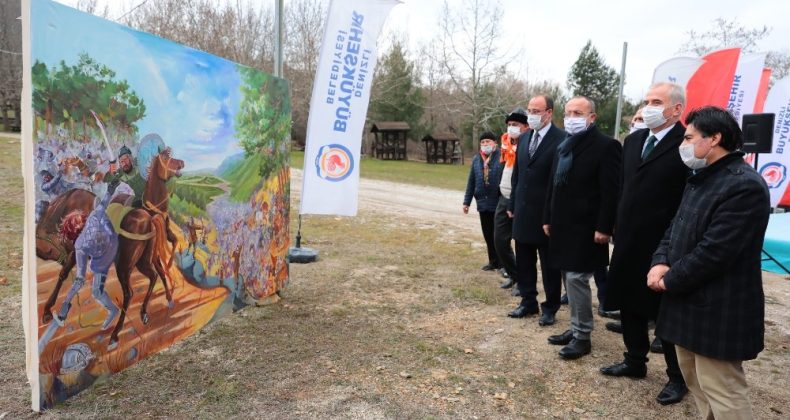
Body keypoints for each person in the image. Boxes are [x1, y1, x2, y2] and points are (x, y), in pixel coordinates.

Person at [648, 106, 770, 419]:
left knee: (723, 390)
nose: (682, 144)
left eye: (688, 137)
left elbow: (715, 252)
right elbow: (674, 228)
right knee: (696, 382)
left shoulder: (744, 185)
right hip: (686, 301)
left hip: (719, 308)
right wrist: (660, 261)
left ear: (714, 138)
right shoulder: (700, 178)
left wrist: (668, 280)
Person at [600, 82, 690, 405]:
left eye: (657, 101)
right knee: (629, 302)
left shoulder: (686, 144)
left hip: (664, 243)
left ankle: (677, 377)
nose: (649, 106)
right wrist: (613, 225)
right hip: (628, 238)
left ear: (677, 109)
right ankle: (634, 360)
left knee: (664, 313)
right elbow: (623, 188)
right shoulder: (634, 140)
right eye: (647, 100)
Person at [543, 96, 621, 360]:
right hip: (562, 224)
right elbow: (552, 186)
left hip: (587, 227)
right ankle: (575, 327)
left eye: (578, 113)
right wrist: (547, 217)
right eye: (568, 113)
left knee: (577, 279)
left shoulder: (606, 146)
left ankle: (583, 336)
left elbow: (610, 192)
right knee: (568, 276)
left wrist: (604, 226)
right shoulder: (564, 145)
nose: (571, 117)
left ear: (592, 117)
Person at [506, 95, 564, 325]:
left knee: (550, 265)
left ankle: (550, 307)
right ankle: (527, 301)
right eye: (530, 110)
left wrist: (553, 214)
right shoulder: (525, 137)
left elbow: (560, 181)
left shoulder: (561, 139)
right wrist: (512, 204)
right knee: (524, 260)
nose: (531, 114)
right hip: (522, 210)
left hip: (546, 215)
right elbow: (518, 175)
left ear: (549, 112)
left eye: (536, 110)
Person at [52, 179, 122, 330]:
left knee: (97, 292)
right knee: (96, 288)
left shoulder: (80, 247)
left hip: (104, 257)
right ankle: (113, 310)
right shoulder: (95, 215)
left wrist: (65, 304)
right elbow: (105, 201)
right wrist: (111, 188)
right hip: (112, 243)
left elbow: (79, 280)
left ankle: (113, 310)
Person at [495, 107, 529, 290]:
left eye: (515, 125)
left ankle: (524, 282)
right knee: (500, 240)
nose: (511, 128)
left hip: (520, 199)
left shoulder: (529, 144)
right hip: (504, 195)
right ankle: (514, 274)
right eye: (509, 125)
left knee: (522, 245)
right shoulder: (506, 143)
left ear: (525, 126)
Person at [464, 132, 504, 271]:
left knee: (499, 236)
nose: (485, 144)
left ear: (495, 143)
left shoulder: (501, 157)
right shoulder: (477, 159)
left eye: (488, 141)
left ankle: (504, 264)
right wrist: (466, 202)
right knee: (487, 235)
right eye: (483, 142)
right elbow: (471, 181)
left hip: (498, 202)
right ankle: (493, 261)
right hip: (482, 203)